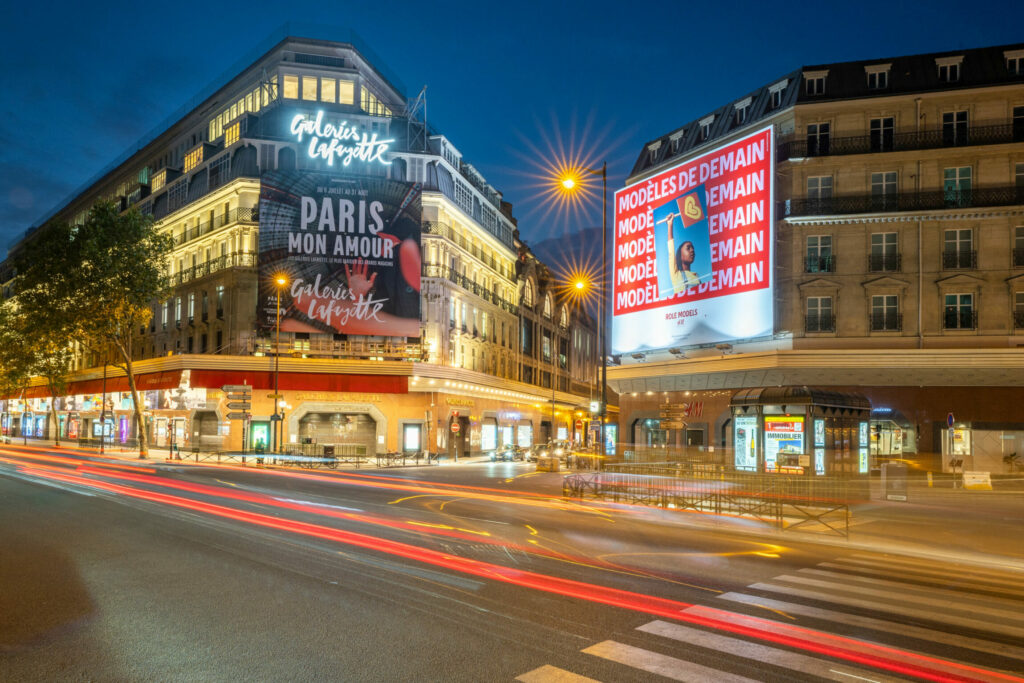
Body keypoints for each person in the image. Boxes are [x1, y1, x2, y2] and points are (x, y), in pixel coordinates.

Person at [664, 213, 701, 293]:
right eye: (688, 248)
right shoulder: (676, 275)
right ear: (680, 255)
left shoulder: (697, 276)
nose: (692, 250)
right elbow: (671, 251)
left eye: (693, 248)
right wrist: (670, 225)